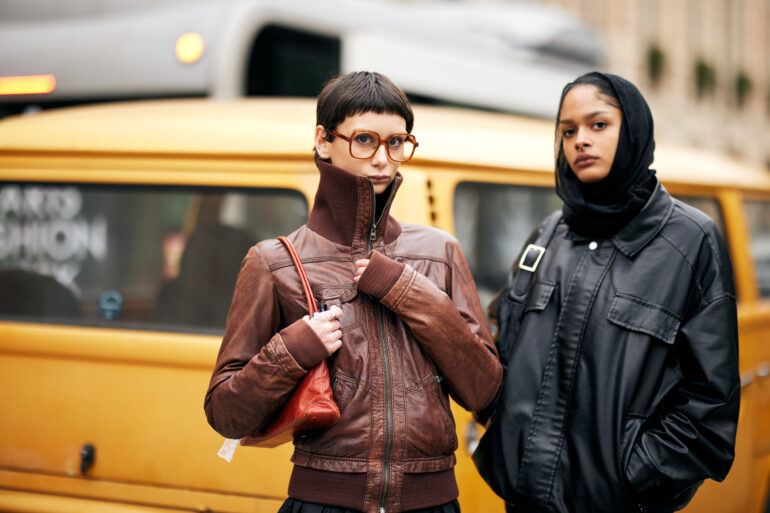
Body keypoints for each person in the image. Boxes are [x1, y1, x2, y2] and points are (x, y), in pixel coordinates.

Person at [204, 71, 503, 513]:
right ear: (324, 141)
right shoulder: (274, 261)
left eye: (397, 142)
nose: (383, 158)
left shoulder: (439, 253)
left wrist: (405, 290)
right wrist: (293, 348)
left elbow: (483, 391)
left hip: (432, 502)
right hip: (324, 502)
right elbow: (226, 412)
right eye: (365, 139)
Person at [473, 72, 740, 513]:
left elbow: (710, 405)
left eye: (598, 125)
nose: (581, 140)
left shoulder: (690, 240)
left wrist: (631, 477)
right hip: (521, 502)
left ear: (632, 128)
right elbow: (504, 348)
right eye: (568, 130)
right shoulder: (548, 233)